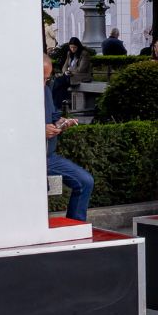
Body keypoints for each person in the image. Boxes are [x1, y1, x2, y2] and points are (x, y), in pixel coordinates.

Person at [42, 55, 95, 222]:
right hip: (28, 159)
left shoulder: (46, 91)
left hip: (48, 156)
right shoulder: (16, 96)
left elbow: (54, 116)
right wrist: (39, 131)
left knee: (85, 181)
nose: (44, 82)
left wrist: (62, 123)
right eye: (41, 78)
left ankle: (76, 225)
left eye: (47, 78)